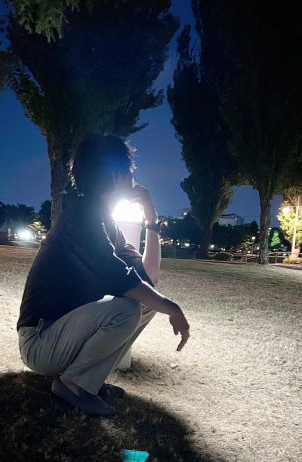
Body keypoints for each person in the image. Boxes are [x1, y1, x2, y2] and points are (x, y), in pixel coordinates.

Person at [17, 135, 190, 416]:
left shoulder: (104, 222)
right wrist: (174, 309)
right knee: (126, 309)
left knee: (147, 303)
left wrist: (152, 222)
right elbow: (124, 281)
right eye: (131, 172)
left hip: (60, 335)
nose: (134, 179)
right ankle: (73, 384)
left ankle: (89, 380)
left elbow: (148, 279)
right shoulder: (82, 216)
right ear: (117, 175)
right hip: (40, 340)